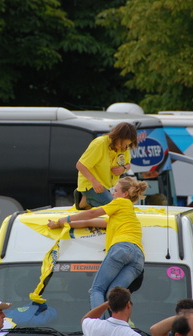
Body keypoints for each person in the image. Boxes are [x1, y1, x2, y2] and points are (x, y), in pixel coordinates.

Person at [48, 177, 147, 310]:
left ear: (125, 194)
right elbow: (88, 222)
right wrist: (59, 224)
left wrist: (64, 219)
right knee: (113, 295)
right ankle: (114, 325)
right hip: (138, 259)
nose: (112, 193)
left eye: (115, 190)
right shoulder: (124, 216)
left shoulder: (121, 202)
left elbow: (93, 213)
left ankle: (96, 327)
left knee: (96, 289)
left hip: (123, 248)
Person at [74, 122, 138, 210]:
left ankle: (87, 201)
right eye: (123, 143)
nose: (124, 146)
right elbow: (80, 165)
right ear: (116, 136)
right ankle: (86, 199)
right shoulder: (99, 144)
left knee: (123, 205)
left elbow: (128, 165)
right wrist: (94, 181)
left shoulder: (124, 148)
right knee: (115, 206)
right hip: (91, 185)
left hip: (109, 187)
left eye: (127, 144)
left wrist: (123, 168)